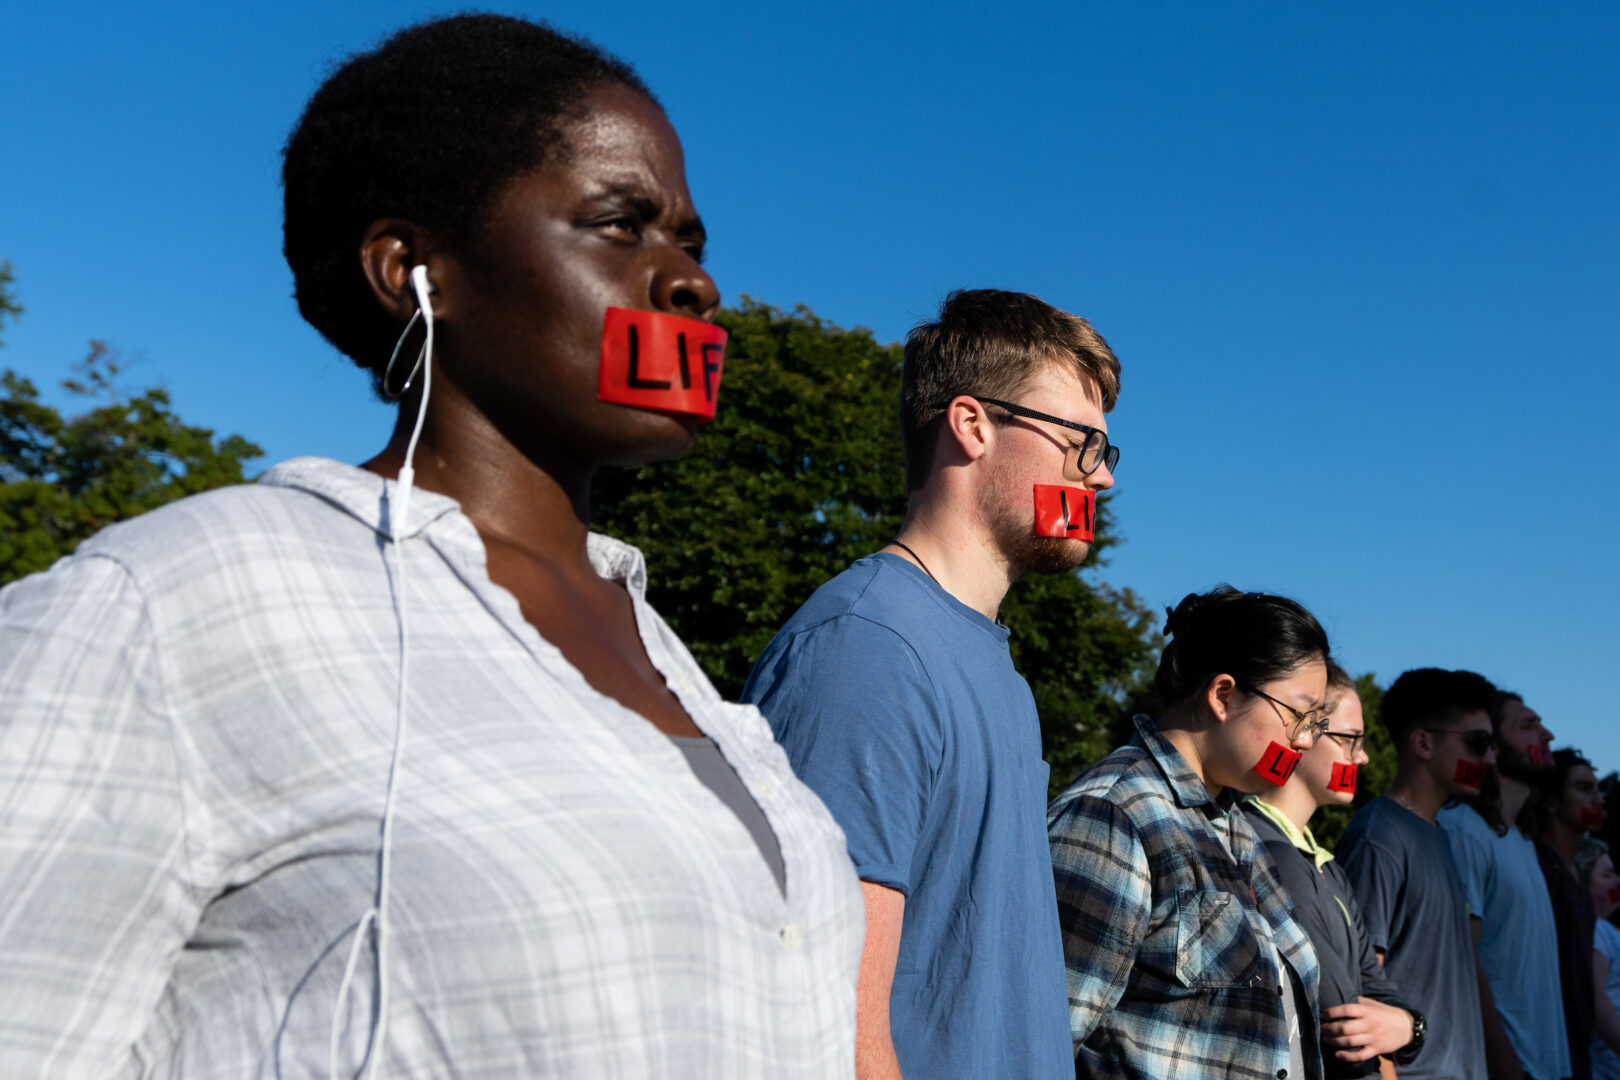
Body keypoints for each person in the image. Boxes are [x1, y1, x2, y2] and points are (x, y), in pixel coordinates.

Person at [0, 15, 864, 1077]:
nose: (691, 284)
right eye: (618, 225)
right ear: (412, 269)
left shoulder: (668, 654)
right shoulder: (182, 599)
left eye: (689, 240)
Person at [743, 288, 1122, 1079]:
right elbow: (827, 1017)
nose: (1102, 479)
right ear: (972, 424)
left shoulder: (994, 668)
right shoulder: (868, 648)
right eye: (1080, 443)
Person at [1047, 585, 1328, 1080]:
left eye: (1317, 722)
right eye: (1299, 714)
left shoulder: (1237, 824)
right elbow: (1043, 1040)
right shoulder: (1113, 814)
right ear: (1223, 695)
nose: (1305, 740)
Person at [1245, 661, 1424, 1078]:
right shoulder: (1269, 851)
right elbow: (1346, 1021)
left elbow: (1383, 996)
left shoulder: (1328, 866)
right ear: (1304, 732)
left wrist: (1409, 1027)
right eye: (1350, 739)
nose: (1361, 757)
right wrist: (1406, 1027)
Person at [1336, 667, 1495, 1080]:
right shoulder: (1379, 837)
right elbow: (1362, 986)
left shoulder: (1439, 835)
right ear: (1423, 742)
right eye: (1478, 743)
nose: (1491, 758)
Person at [1438, 691, 1569, 1080]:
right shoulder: (1463, 829)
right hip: (1510, 1068)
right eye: (1528, 726)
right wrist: (1507, 1065)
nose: (1547, 735)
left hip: (1547, 1064)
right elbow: (1463, 960)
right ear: (1491, 741)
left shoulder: (1521, 839)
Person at [1532, 749, 1604, 1079]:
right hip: (1540, 1055)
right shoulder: (1538, 870)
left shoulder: (1574, 875)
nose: (1597, 798)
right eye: (1583, 788)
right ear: (1551, 802)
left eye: (1597, 787)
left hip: (1576, 1055)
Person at [1580, 840, 1620, 1079]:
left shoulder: (1606, 931)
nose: (1617, 881)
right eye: (1606, 875)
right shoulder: (1596, 932)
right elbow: (1595, 998)